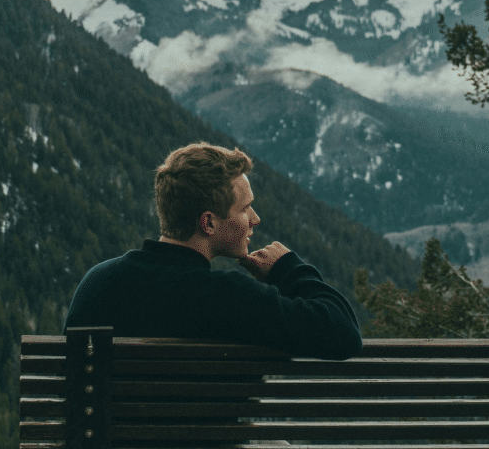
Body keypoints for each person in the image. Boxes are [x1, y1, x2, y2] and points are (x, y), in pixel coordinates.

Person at [63, 142, 363, 361]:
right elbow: (343, 333)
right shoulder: (228, 296)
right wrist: (288, 269)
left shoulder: (98, 283)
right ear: (208, 222)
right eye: (245, 208)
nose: (255, 219)